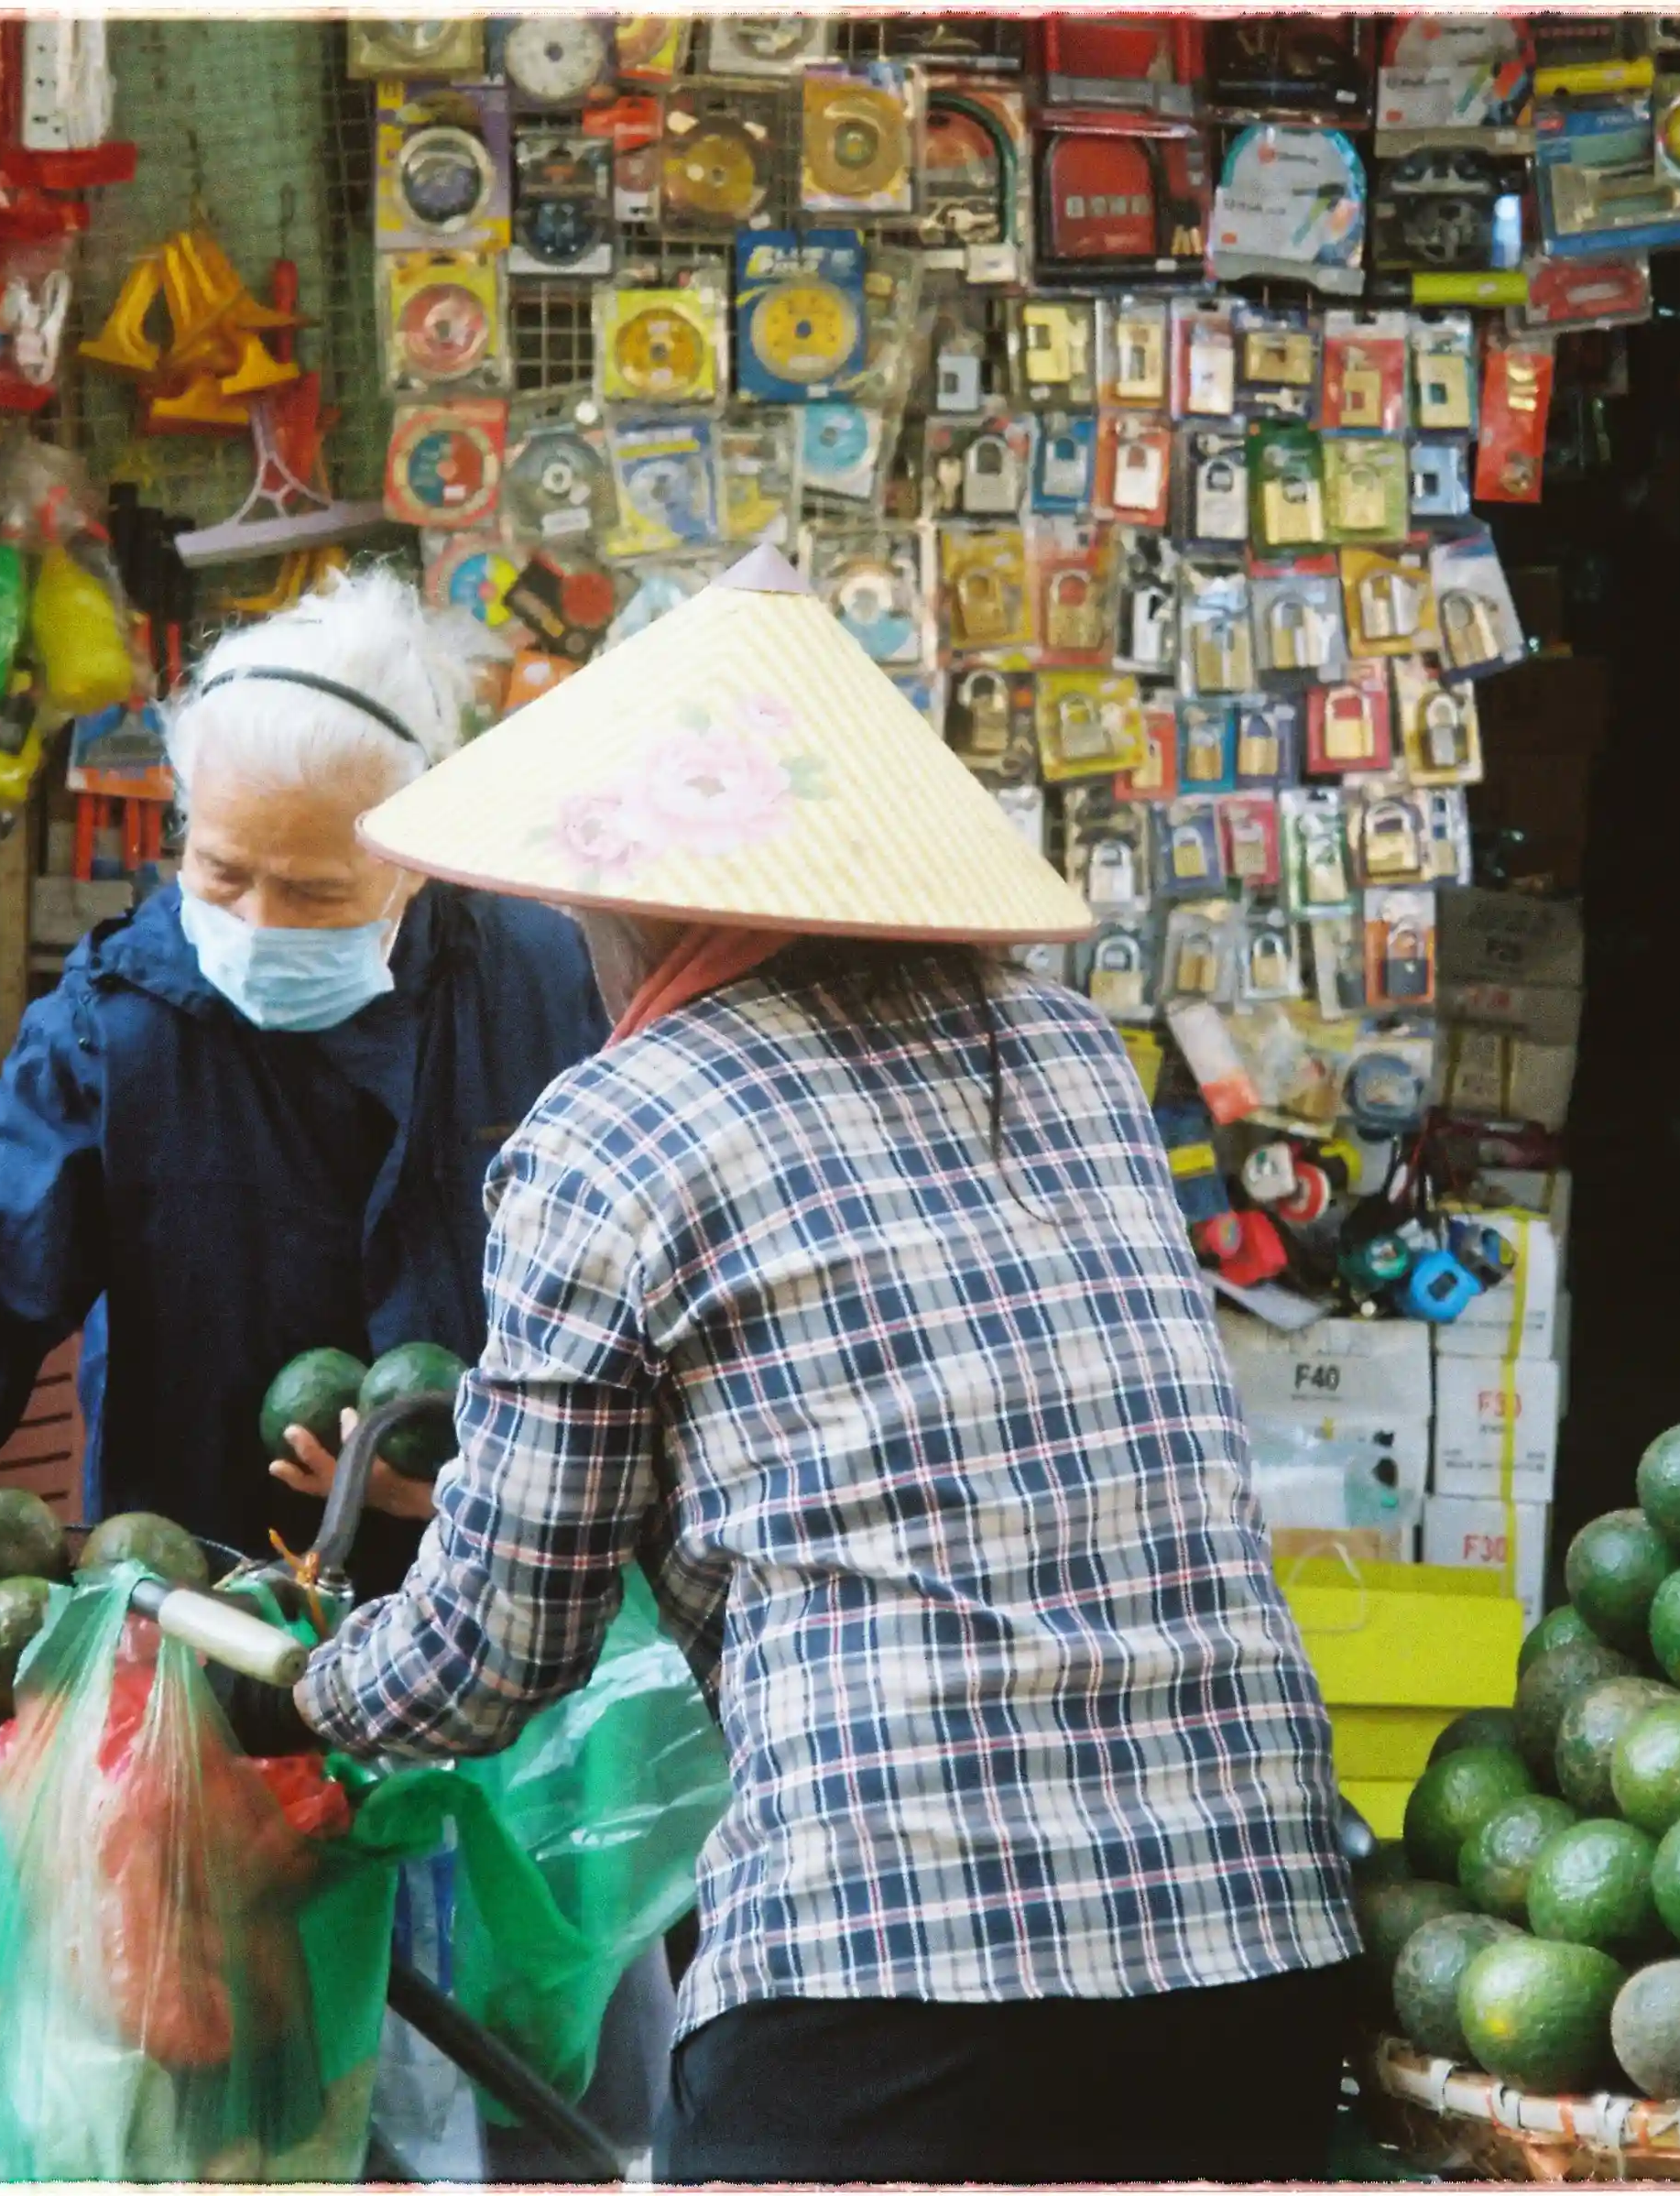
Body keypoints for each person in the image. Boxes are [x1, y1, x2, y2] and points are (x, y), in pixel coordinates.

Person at [252, 549, 1361, 2184]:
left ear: (633, 899)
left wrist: (304, 1677)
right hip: (1257, 1945)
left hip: (897, 1964)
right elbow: (910, 1447)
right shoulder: (1065, 1050)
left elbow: (491, 1655)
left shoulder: (613, 1127)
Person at [0, 567, 607, 1590]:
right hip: (197, 1578)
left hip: (518, 1583)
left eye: (317, 891)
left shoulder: (551, 984)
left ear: (414, 853)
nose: (260, 925)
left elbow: (643, 1291)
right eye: (223, 873)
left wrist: (516, 1473)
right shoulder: (122, 1020)